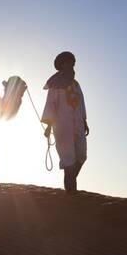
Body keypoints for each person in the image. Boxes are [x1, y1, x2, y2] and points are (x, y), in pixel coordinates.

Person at [41, 51, 89, 192]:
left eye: (72, 63)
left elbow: (81, 103)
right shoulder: (55, 84)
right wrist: (48, 126)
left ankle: (70, 183)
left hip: (78, 124)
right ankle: (71, 194)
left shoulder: (76, 84)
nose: (71, 65)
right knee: (68, 160)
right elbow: (51, 104)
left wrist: (84, 121)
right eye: (68, 62)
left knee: (81, 155)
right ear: (62, 64)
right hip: (62, 126)